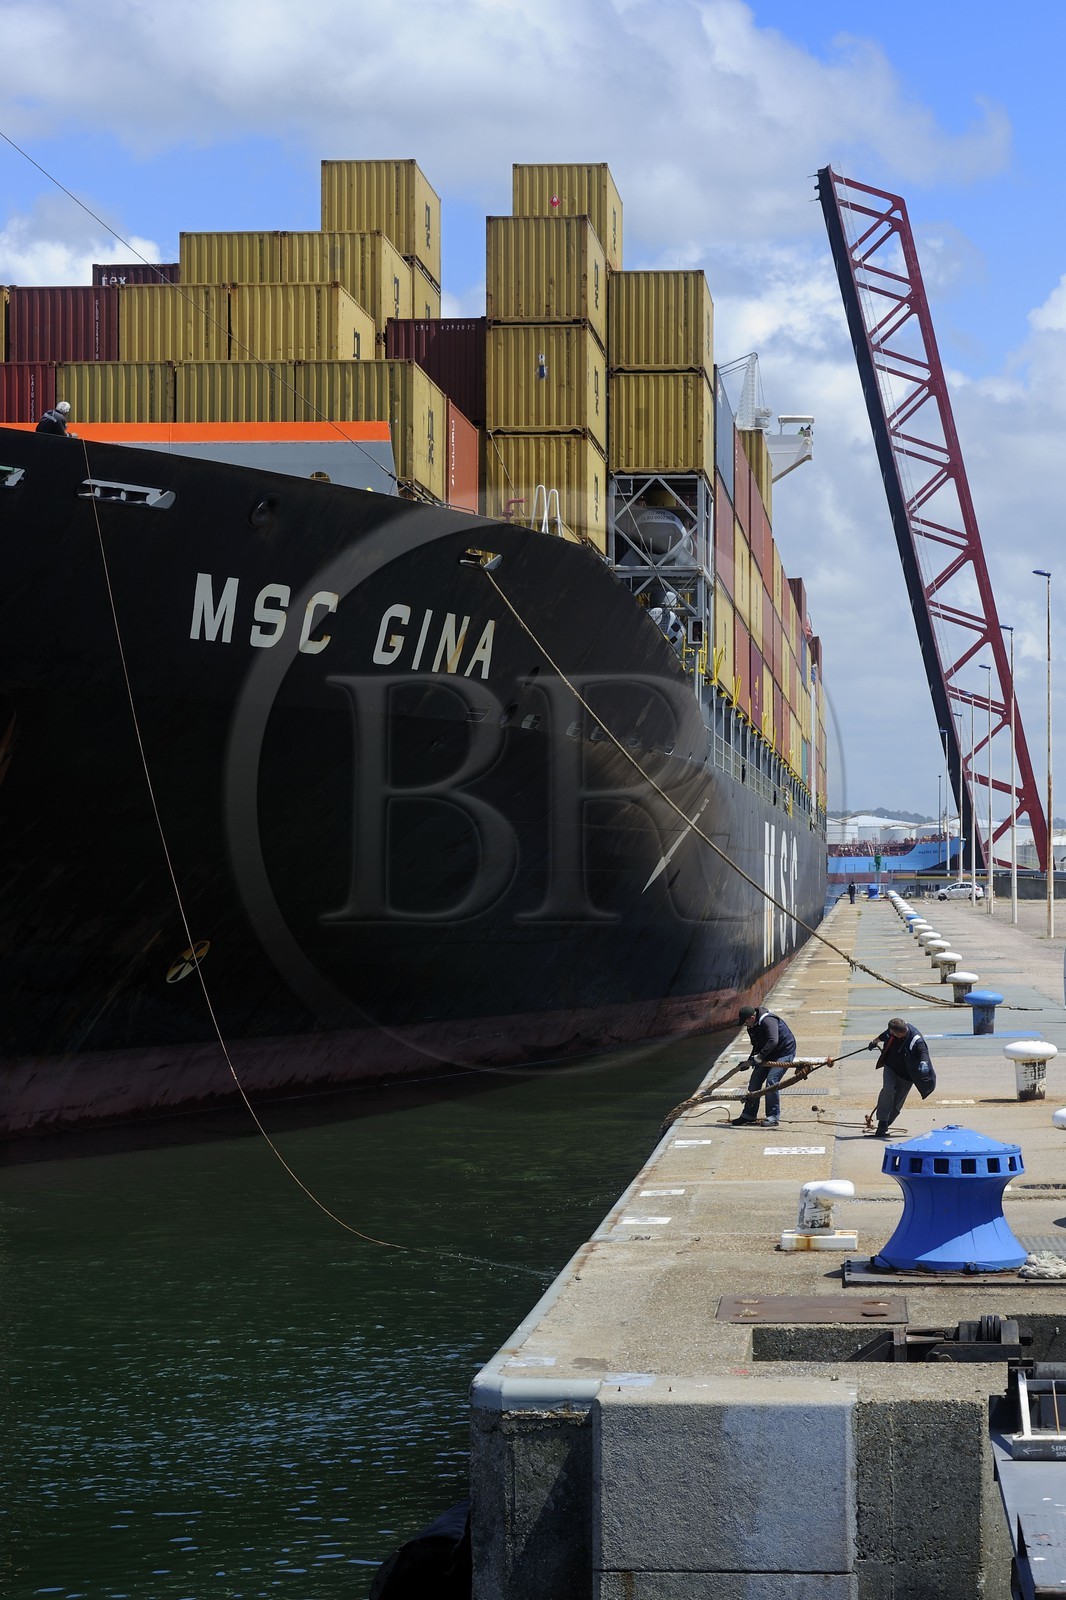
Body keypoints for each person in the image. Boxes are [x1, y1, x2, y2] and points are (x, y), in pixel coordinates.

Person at [867, 1017, 936, 1137]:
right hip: (891, 1067)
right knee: (888, 1090)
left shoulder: (915, 1039)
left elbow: (923, 1051)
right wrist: (874, 1042)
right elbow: (884, 1035)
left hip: (907, 1074)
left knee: (898, 1101)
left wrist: (924, 1063)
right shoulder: (893, 1030)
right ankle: (882, 1122)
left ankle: (887, 1123)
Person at [731, 1004, 797, 1127]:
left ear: (751, 1018)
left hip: (784, 1052)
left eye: (745, 1022)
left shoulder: (768, 1020)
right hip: (768, 1054)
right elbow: (756, 1045)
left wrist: (760, 1057)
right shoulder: (752, 1027)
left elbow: (773, 1040)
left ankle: (772, 1117)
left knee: (771, 1082)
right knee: (754, 1082)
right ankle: (748, 1115)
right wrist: (750, 1061)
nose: (745, 1025)